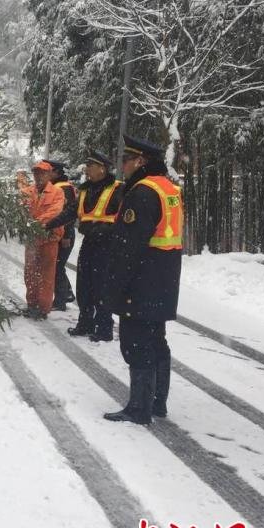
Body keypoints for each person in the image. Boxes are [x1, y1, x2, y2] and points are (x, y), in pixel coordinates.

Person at [102, 136, 183, 424]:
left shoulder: (140, 193)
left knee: (136, 344)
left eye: (125, 160)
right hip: (163, 277)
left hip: (141, 280)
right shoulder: (168, 188)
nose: (121, 165)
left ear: (141, 162)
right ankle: (157, 402)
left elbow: (128, 247)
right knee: (156, 341)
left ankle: (139, 408)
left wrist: (115, 285)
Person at [68, 150, 124, 342]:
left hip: (107, 245)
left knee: (102, 286)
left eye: (90, 166)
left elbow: (123, 220)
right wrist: (48, 224)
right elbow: (70, 213)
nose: (87, 170)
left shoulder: (117, 189)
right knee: (83, 285)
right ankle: (85, 323)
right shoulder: (85, 190)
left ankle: (104, 327)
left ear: (102, 168)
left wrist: (105, 230)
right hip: (89, 243)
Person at [17, 160, 65, 319]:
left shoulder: (57, 193)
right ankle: (32, 304)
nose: (38, 176)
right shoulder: (28, 191)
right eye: (36, 173)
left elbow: (55, 212)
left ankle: (43, 309)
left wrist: (34, 224)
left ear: (50, 174)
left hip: (49, 239)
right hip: (32, 239)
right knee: (30, 273)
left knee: (46, 275)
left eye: (42, 173)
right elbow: (20, 208)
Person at [44, 160, 77, 310]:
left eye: (48, 171)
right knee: (57, 265)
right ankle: (67, 293)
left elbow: (69, 214)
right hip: (57, 232)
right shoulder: (54, 186)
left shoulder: (63, 188)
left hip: (63, 234)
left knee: (57, 266)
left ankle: (60, 301)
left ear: (56, 172)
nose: (45, 174)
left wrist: (67, 236)